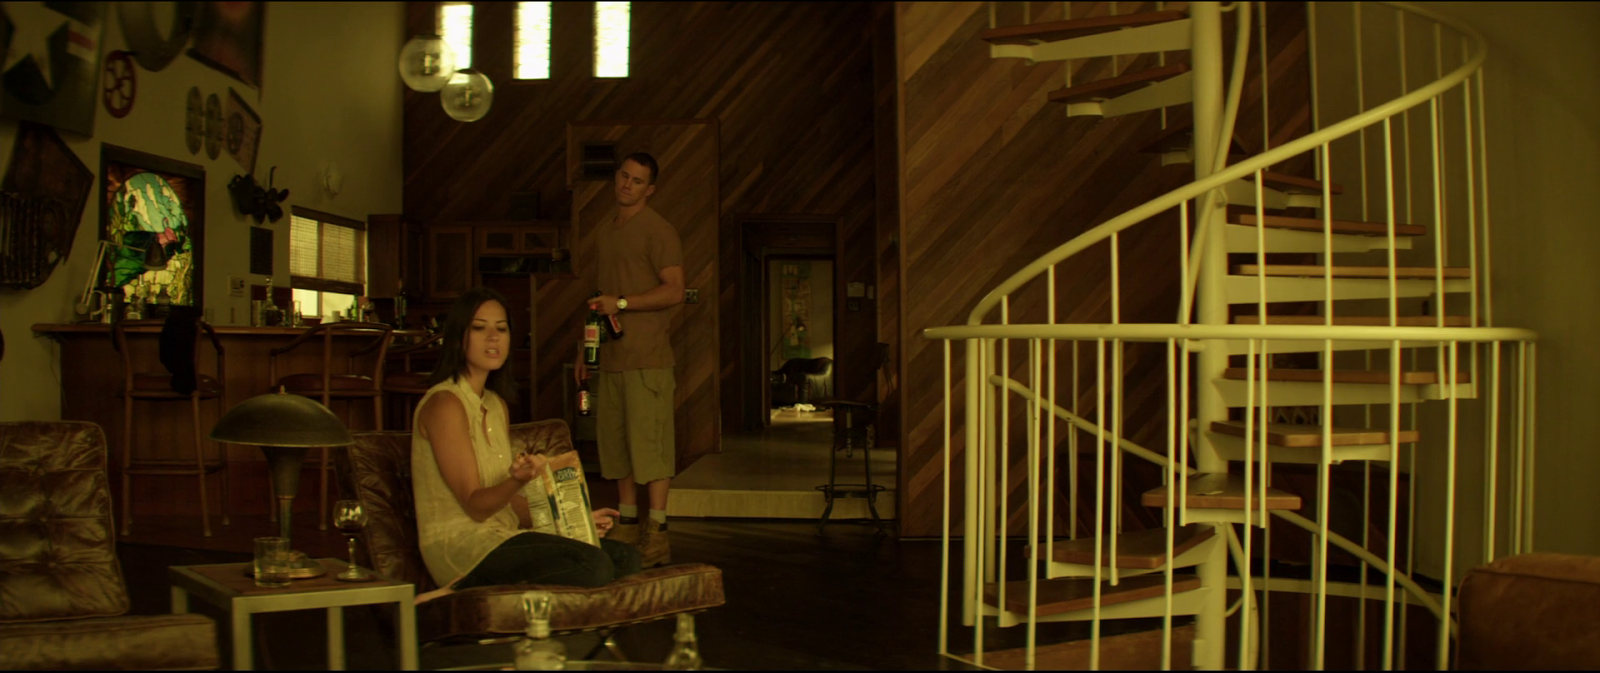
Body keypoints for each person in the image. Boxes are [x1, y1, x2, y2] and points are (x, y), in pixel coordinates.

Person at [413, 287, 641, 596]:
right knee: (594, 565)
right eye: (479, 328)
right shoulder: (445, 404)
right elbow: (476, 506)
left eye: (501, 329)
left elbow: (508, 504)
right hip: (462, 546)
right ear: (457, 338)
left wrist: (573, 524)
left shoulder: (495, 404)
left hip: (505, 537)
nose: (493, 338)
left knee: (625, 558)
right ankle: (456, 593)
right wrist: (516, 480)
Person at [575, 152, 685, 568]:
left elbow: (675, 290)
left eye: (637, 181)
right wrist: (584, 348)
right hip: (611, 357)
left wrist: (622, 302)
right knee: (616, 446)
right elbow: (598, 299)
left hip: (648, 360)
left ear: (649, 189)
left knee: (651, 448)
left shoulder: (659, 230)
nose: (627, 184)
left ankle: (657, 533)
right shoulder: (606, 231)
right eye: (623, 175)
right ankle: (627, 523)